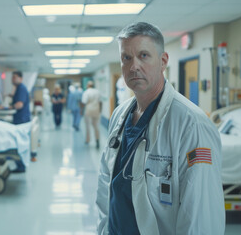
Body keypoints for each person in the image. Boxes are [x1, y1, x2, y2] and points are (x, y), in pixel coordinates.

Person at [96, 22, 225, 235]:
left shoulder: (192, 124)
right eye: (126, 58)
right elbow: (105, 184)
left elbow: (201, 214)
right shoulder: (120, 115)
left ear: (163, 61)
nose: (134, 66)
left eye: (143, 55)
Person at [9, 71, 31, 171]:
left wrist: (8, 108)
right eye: (12, 77)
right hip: (21, 118)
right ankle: (21, 165)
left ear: (21, 79)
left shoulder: (21, 89)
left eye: (15, 77)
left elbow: (19, 105)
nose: (13, 79)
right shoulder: (18, 88)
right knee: (20, 143)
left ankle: (21, 166)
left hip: (21, 119)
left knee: (19, 143)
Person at [82, 80, 102, 148]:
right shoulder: (97, 92)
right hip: (96, 110)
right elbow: (100, 102)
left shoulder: (86, 92)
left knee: (88, 126)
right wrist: (100, 111)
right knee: (96, 126)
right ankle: (97, 140)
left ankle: (88, 140)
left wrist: (81, 110)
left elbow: (84, 102)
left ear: (88, 85)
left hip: (88, 111)